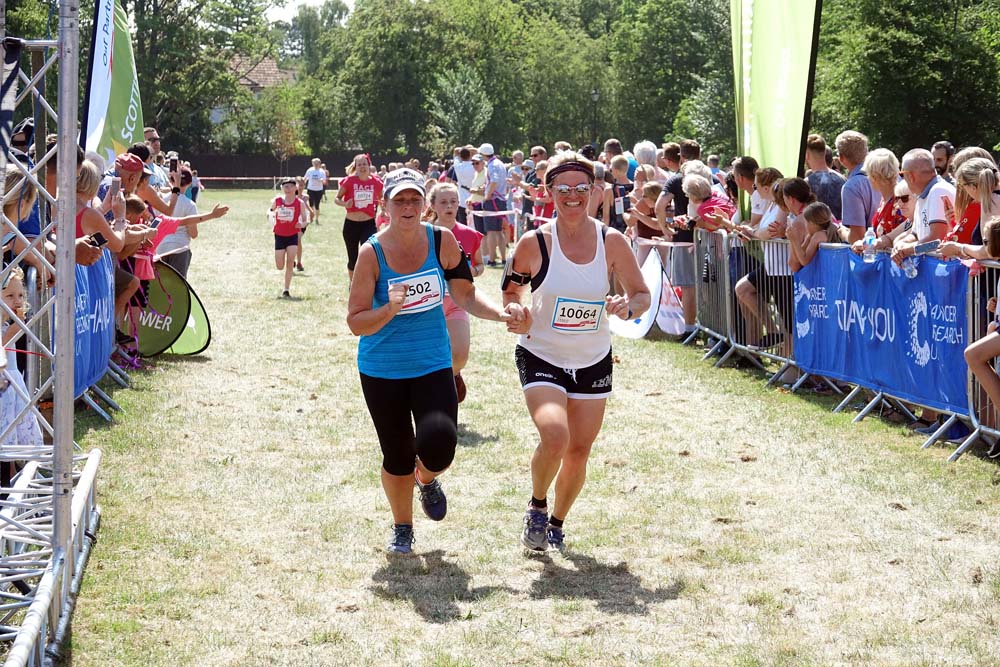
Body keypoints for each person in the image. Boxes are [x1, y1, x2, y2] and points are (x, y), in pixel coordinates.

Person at [347, 168, 528, 555]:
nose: (408, 207)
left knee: (441, 446)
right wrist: (389, 310)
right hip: (384, 368)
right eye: (400, 200)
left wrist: (502, 315)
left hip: (432, 361)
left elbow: (465, 295)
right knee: (395, 454)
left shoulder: (442, 241)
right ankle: (402, 526)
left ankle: (426, 479)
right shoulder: (372, 252)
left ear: (425, 205)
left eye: (415, 199)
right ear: (386, 206)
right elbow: (356, 321)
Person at [501, 152, 651, 552]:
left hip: (592, 358)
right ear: (549, 192)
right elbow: (511, 290)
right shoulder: (534, 242)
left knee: (579, 451)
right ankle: (536, 506)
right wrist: (517, 310)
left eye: (580, 189)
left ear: (594, 192)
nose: (572, 197)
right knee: (555, 436)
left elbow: (641, 295)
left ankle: (557, 523)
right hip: (542, 354)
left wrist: (627, 306)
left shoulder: (611, 240)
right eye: (563, 189)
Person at [427, 182, 485, 402]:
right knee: (430, 356)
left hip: (457, 302)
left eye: (453, 201)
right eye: (443, 202)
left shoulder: (470, 235)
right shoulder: (423, 233)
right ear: (432, 205)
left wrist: (473, 270)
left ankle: (454, 374)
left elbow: (480, 265)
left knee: (459, 355)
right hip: (427, 304)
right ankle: (438, 396)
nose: (449, 206)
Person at [0, 267, 43, 450]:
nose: (17, 301)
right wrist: (12, 332)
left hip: (14, 383)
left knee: (15, 432)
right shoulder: (6, 327)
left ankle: (13, 472)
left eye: (20, 295)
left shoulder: (8, 322)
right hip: (4, 385)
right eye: (10, 296)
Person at [890, 148, 954, 265]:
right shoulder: (924, 194)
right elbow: (915, 234)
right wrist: (901, 244)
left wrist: (907, 250)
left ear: (910, 176)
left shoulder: (938, 191)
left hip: (946, 271)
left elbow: (936, 241)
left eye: (902, 174)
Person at [335, 154, 384, 284]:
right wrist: (345, 204)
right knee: (353, 258)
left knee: (369, 255)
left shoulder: (376, 182)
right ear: (355, 167)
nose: (362, 167)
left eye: (364, 164)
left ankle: (369, 283)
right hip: (351, 225)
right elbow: (337, 199)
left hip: (368, 224)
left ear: (369, 166)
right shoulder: (350, 181)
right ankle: (353, 284)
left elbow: (382, 199)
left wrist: (384, 210)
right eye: (359, 164)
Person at [835, 130, 880, 242]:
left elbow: (858, 237)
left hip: (870, 255)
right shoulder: (889, 176)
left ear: (841, 157)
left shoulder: (852, 187)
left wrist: (842, 232)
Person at [270, 178, 308, 298]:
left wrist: (301, 224)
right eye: (285, 186)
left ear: (295, 188)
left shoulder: (300, 203)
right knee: (279, 266)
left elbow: (306, 219)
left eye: (291, 186)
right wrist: (271, 218)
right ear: (282, 188)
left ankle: (286, 289)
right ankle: (284, 264)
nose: (288, 189)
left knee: (290, 261)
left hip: (292, 235)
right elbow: (269, 212)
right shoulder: (277, 201)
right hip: (279, 235)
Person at [479, 143, 510, 267]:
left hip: (493, 200)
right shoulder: (500, 163)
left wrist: (487, 196)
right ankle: (503, 258)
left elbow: (494, 181)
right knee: (499, 231)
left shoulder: (492, 165)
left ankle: (492, 259)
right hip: (501, 200)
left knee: (491, 231)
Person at [804, 134, 846, 220]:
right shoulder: (842, 178)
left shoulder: (807, 183)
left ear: (807, 155)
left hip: (819, 231)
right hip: (842, 230)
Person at [304, 158, 327, 226]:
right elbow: (305, 178)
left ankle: (317, 219)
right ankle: (311, 218)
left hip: (318, 190)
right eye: (314, 163)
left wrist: (322, 180)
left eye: (317, 163)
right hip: (310, 189)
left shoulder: (322, 171)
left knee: (317, 205)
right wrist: (301, 185)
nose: (316, 164)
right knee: (310, 205)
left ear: (319, 164)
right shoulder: (310, 170)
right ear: (312, 164)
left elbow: (324, 182)